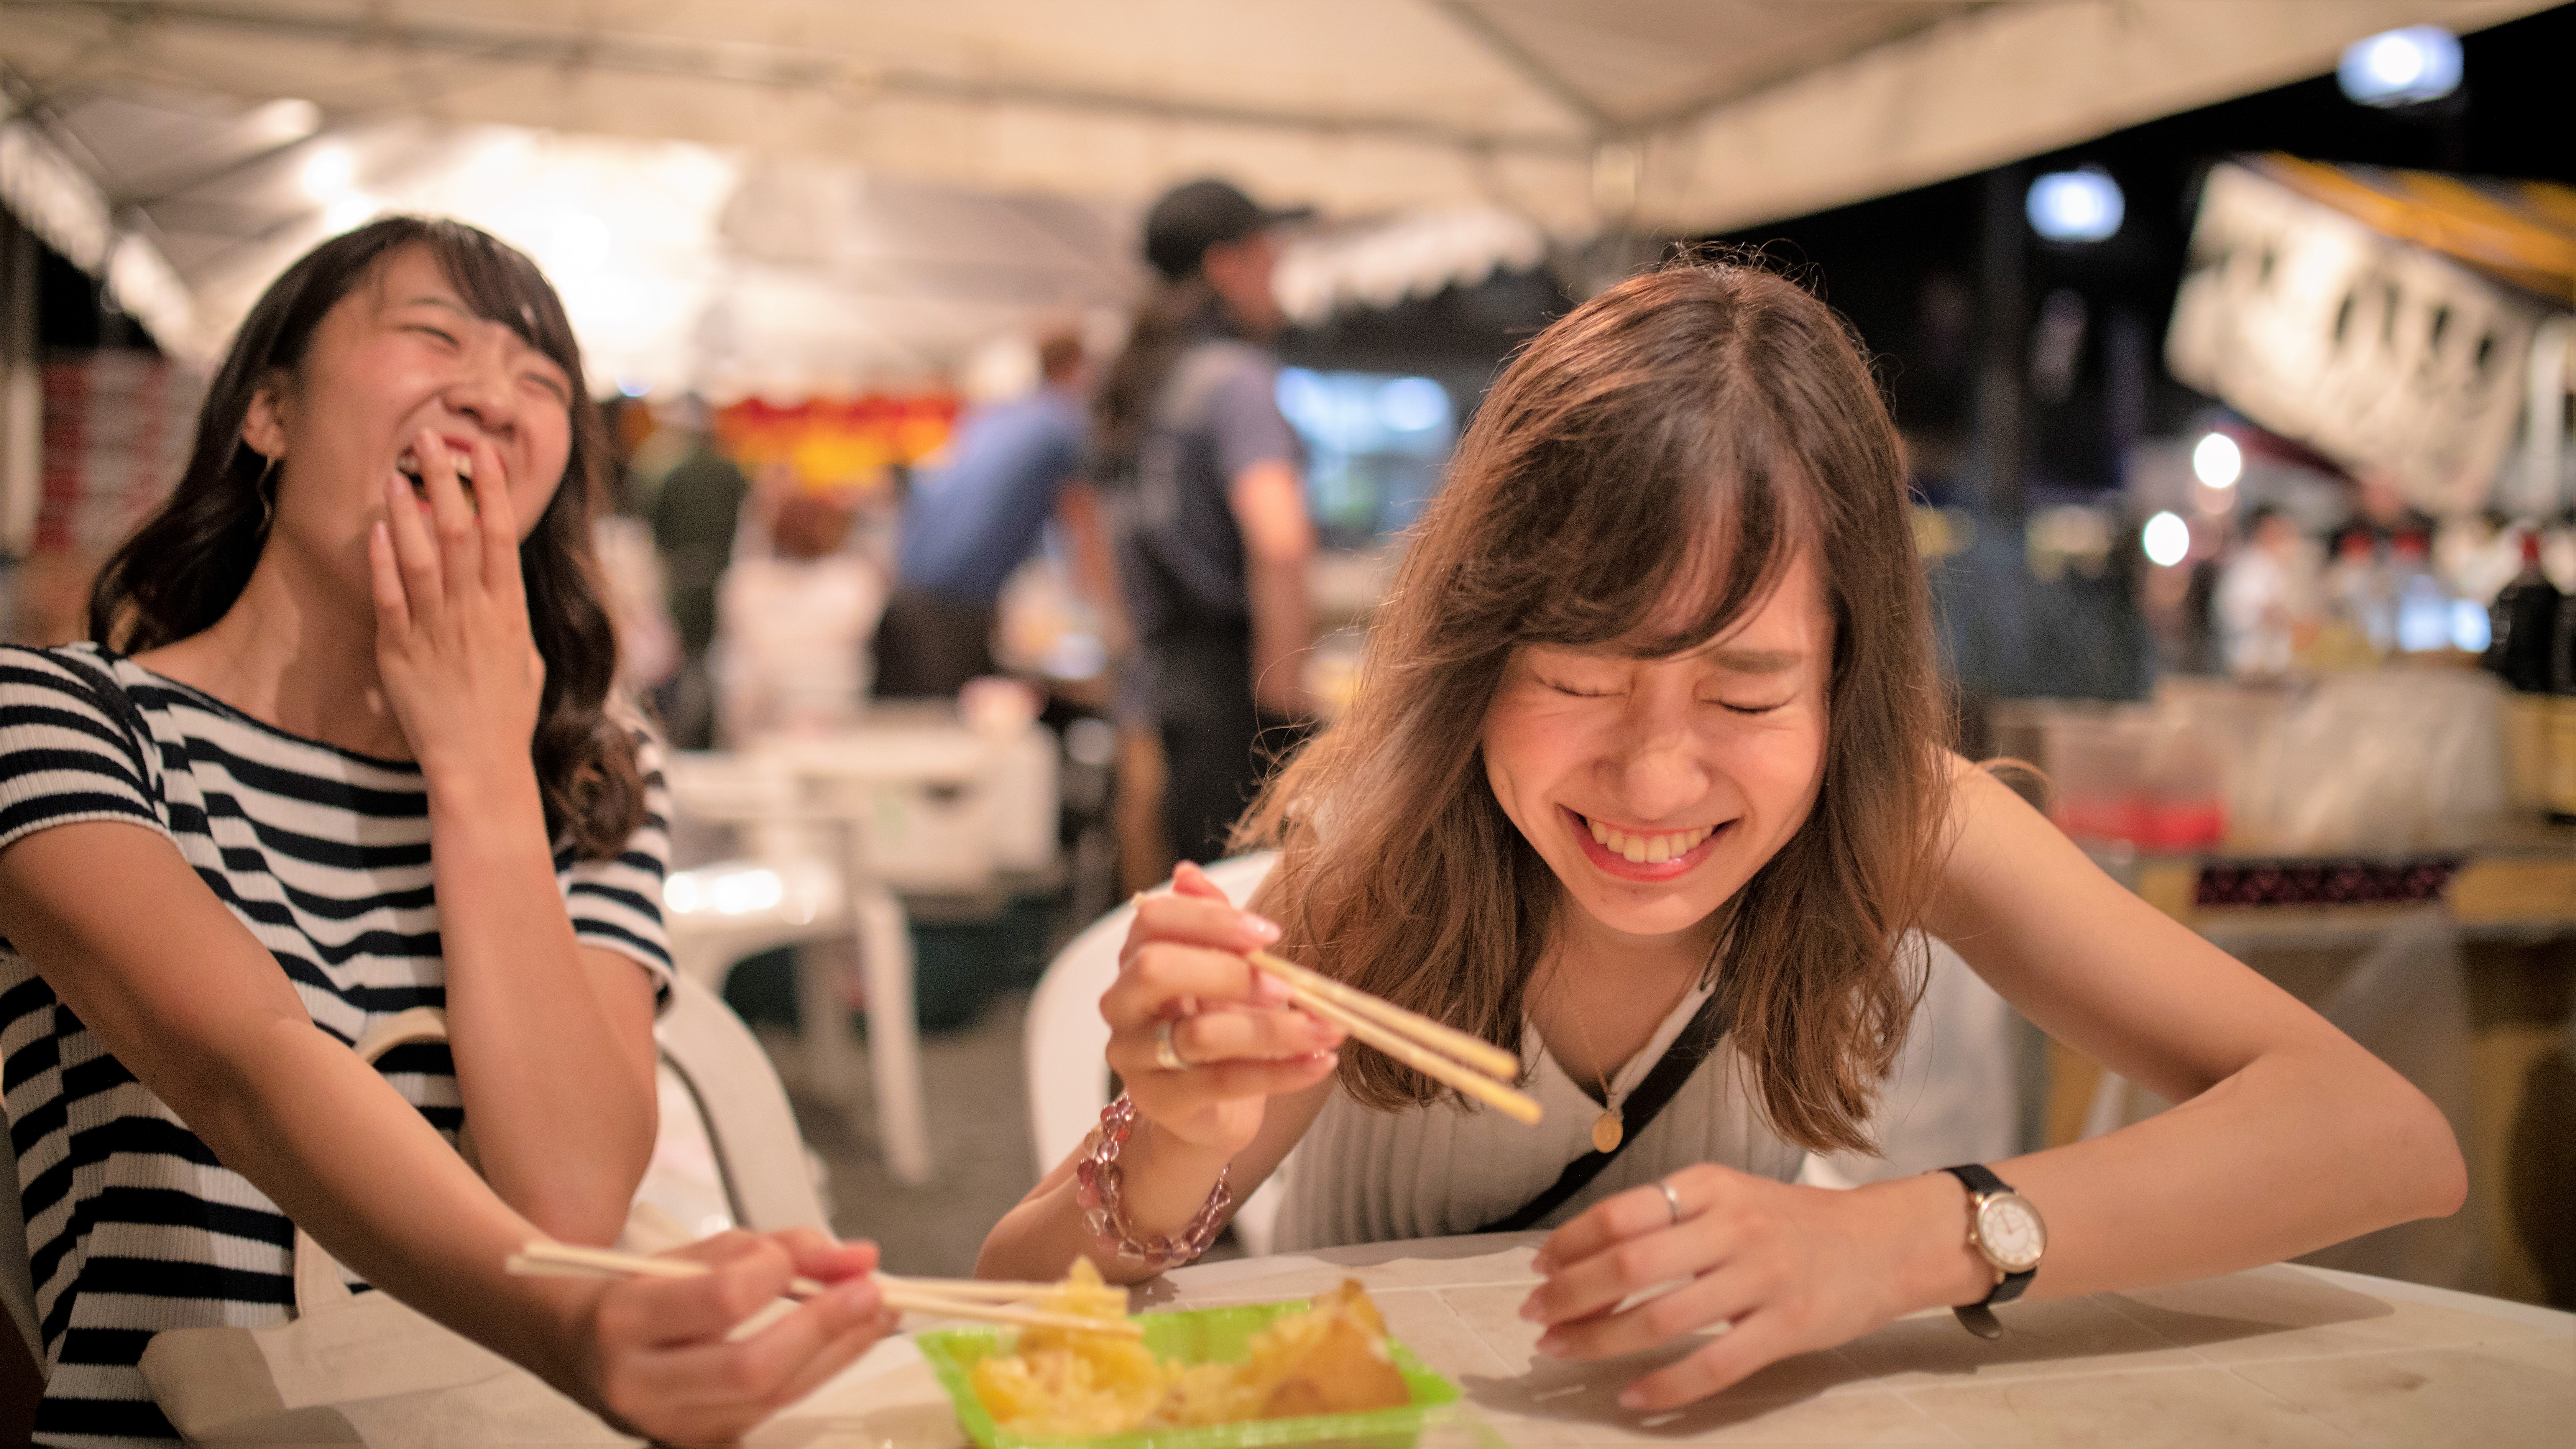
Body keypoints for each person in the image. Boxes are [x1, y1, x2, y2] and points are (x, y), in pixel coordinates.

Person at [978, 258, 2464, 1412]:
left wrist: (1890, 1245)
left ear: (1843, 681)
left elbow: (2384, 1138)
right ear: (1479, 660)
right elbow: (1004, 1299)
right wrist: (1174, 1145)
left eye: (1746, 691)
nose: (1655, 778)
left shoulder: (1892, 818)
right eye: (1575, 677)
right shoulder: (1379, 860)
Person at [0, 218, 893, 1449]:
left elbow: (571, 1200)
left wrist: (477, 761)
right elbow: (249, 1066)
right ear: (267, 410)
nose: (490, 392)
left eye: (540, 382)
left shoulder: (593, 776)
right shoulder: (55, 717)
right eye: (432, 337)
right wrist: (569, 1327)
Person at [1096, 179, 1318, 867]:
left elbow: (1103, 541)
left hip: (1164, 688)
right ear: (1227, 264)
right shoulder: (1235, 380)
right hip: (1233, 702)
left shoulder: (1142, 381)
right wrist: (1286, 697)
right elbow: (1279, 537)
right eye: (1267, 251)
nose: (1278, 268)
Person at [877, 330, 1114, 698]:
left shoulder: (999, 416)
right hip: (950, 612)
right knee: (951, 740)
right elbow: (1084, 525)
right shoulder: (1065, 424)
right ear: (1079, 369)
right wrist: (1112, 623)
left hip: (904, 602)